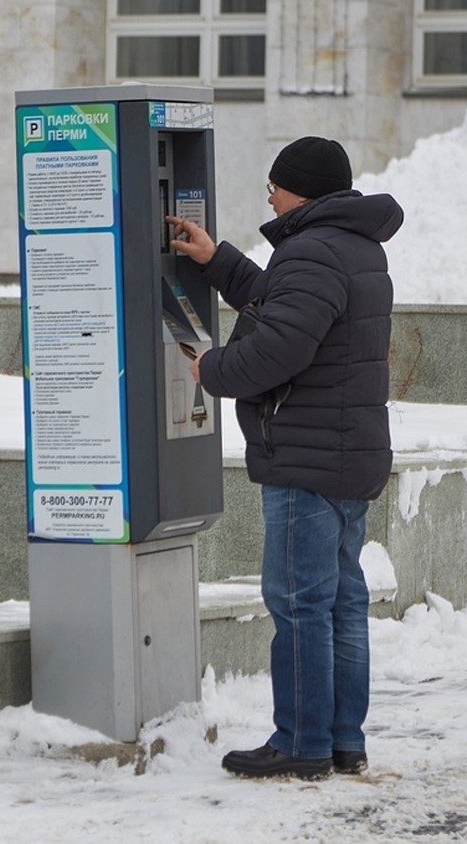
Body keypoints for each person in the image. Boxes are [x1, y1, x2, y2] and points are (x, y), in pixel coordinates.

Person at [165, 136, 403, 780]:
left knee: (300, 602)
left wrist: (209, 367)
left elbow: (279, 348)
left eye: (275, 183)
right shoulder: (351, 247)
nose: (267, 193)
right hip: (347, 453)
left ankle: (300, 742)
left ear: (302, 188)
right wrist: (218, 260)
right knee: (341, 603)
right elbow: (287, 304)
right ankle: (341, 742)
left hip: (307, 456)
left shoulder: (311, 251)